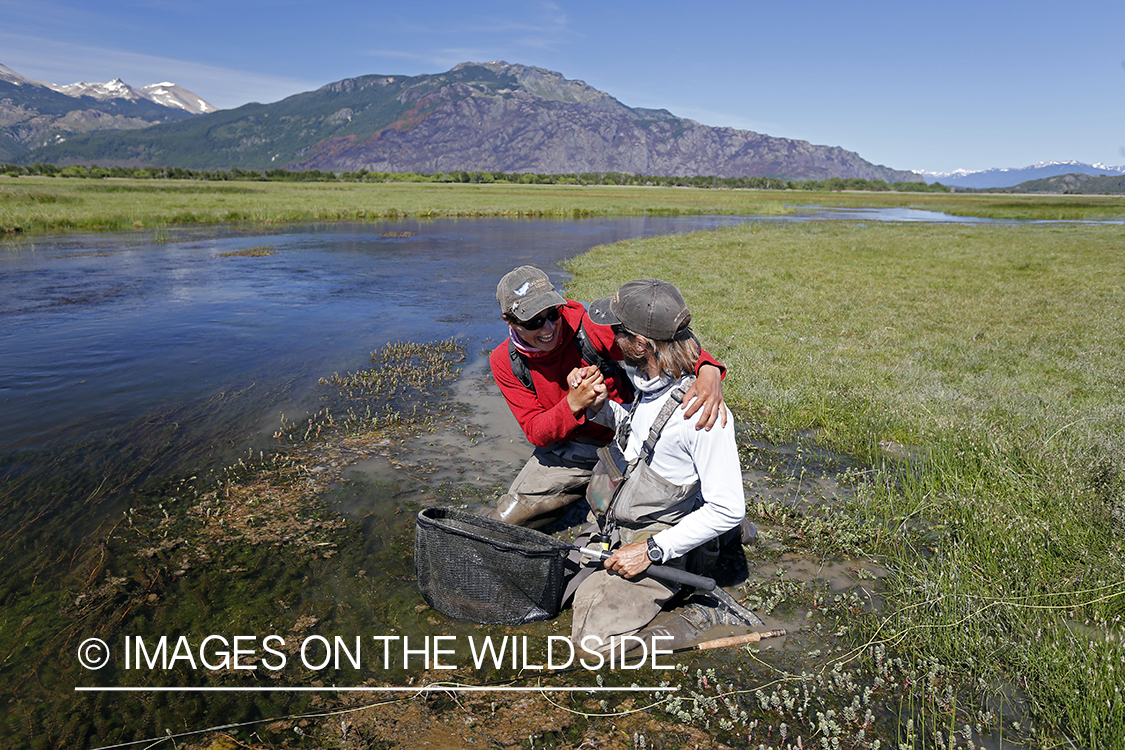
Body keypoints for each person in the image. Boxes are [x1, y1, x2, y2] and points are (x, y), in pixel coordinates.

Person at [568, 278, 748, 657]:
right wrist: (601, 406)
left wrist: (649, 551)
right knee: (562, 588)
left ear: (641, 344)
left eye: (618, 331)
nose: (610, 338)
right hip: (620, 526)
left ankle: (701, 617)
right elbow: (641, 443)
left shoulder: (700, 412)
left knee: (590, 645)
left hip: (661, 540)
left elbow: (729, 507)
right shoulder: (647, 382)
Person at [486, 265, 727, 529]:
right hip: (569, 450)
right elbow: (536, 431)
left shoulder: (586, 325)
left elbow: (662, 338)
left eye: (553, 313)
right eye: (534, 321)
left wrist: (708, 370)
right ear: (509, 321)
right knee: (505, 523)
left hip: (626, 440)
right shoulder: (504, 361)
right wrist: (573, 404)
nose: (549, 328)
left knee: (620, 523)